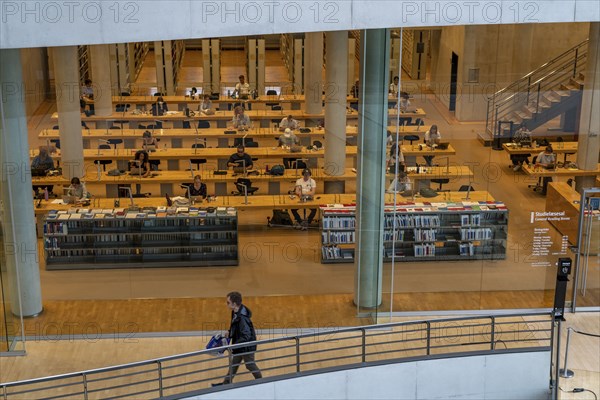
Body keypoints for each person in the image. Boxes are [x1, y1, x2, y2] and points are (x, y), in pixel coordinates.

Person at [212, 291, 262, 386]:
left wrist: (234, 345)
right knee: (234, 364)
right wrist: (229, 332)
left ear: (234, 304)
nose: (226, 304)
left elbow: (246, 336)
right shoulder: (235, 312)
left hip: (247, 346)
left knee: (249, 365)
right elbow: (235, 327)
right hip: (240, 344)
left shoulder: (242, 318)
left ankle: (261, 382)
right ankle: (226, 383)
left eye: (228, 302)